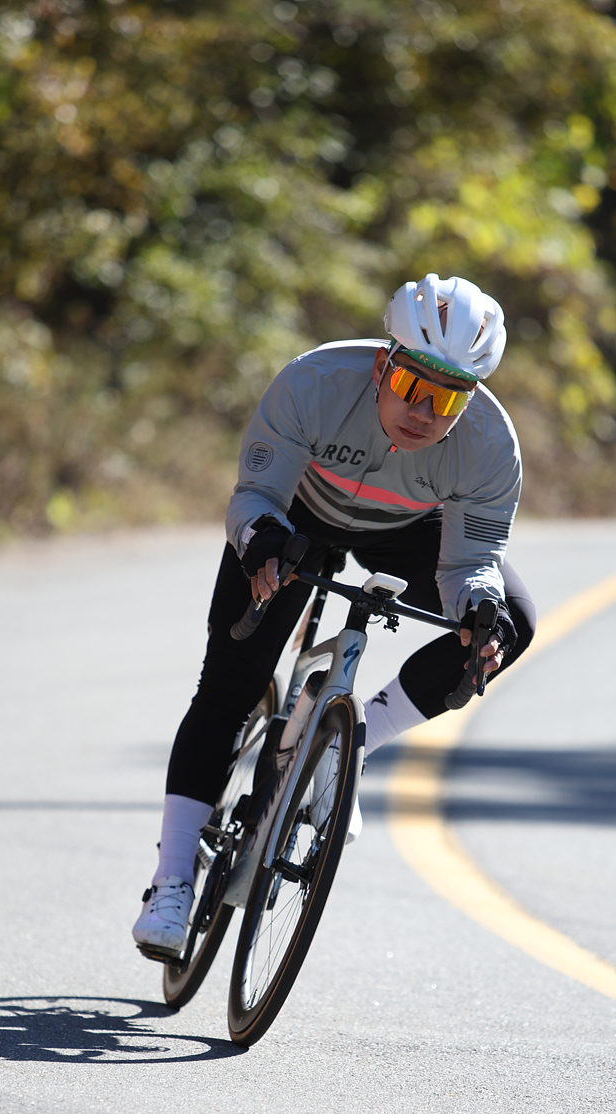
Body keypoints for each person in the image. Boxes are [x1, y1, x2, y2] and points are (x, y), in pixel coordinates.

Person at [132, 272, 537, 959]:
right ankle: (171, 882)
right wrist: (261, 541)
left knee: (509, 623)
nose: (425, 412)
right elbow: (255, 496)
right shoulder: (313, 383)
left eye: (448, 398)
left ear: (470, 399)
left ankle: (349, 749)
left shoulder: (491, 446)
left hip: (408, 531)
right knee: (229, 684)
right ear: (383, 365)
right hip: (297, 517)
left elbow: (470, 562)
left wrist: (479, 610)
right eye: (411, 384)